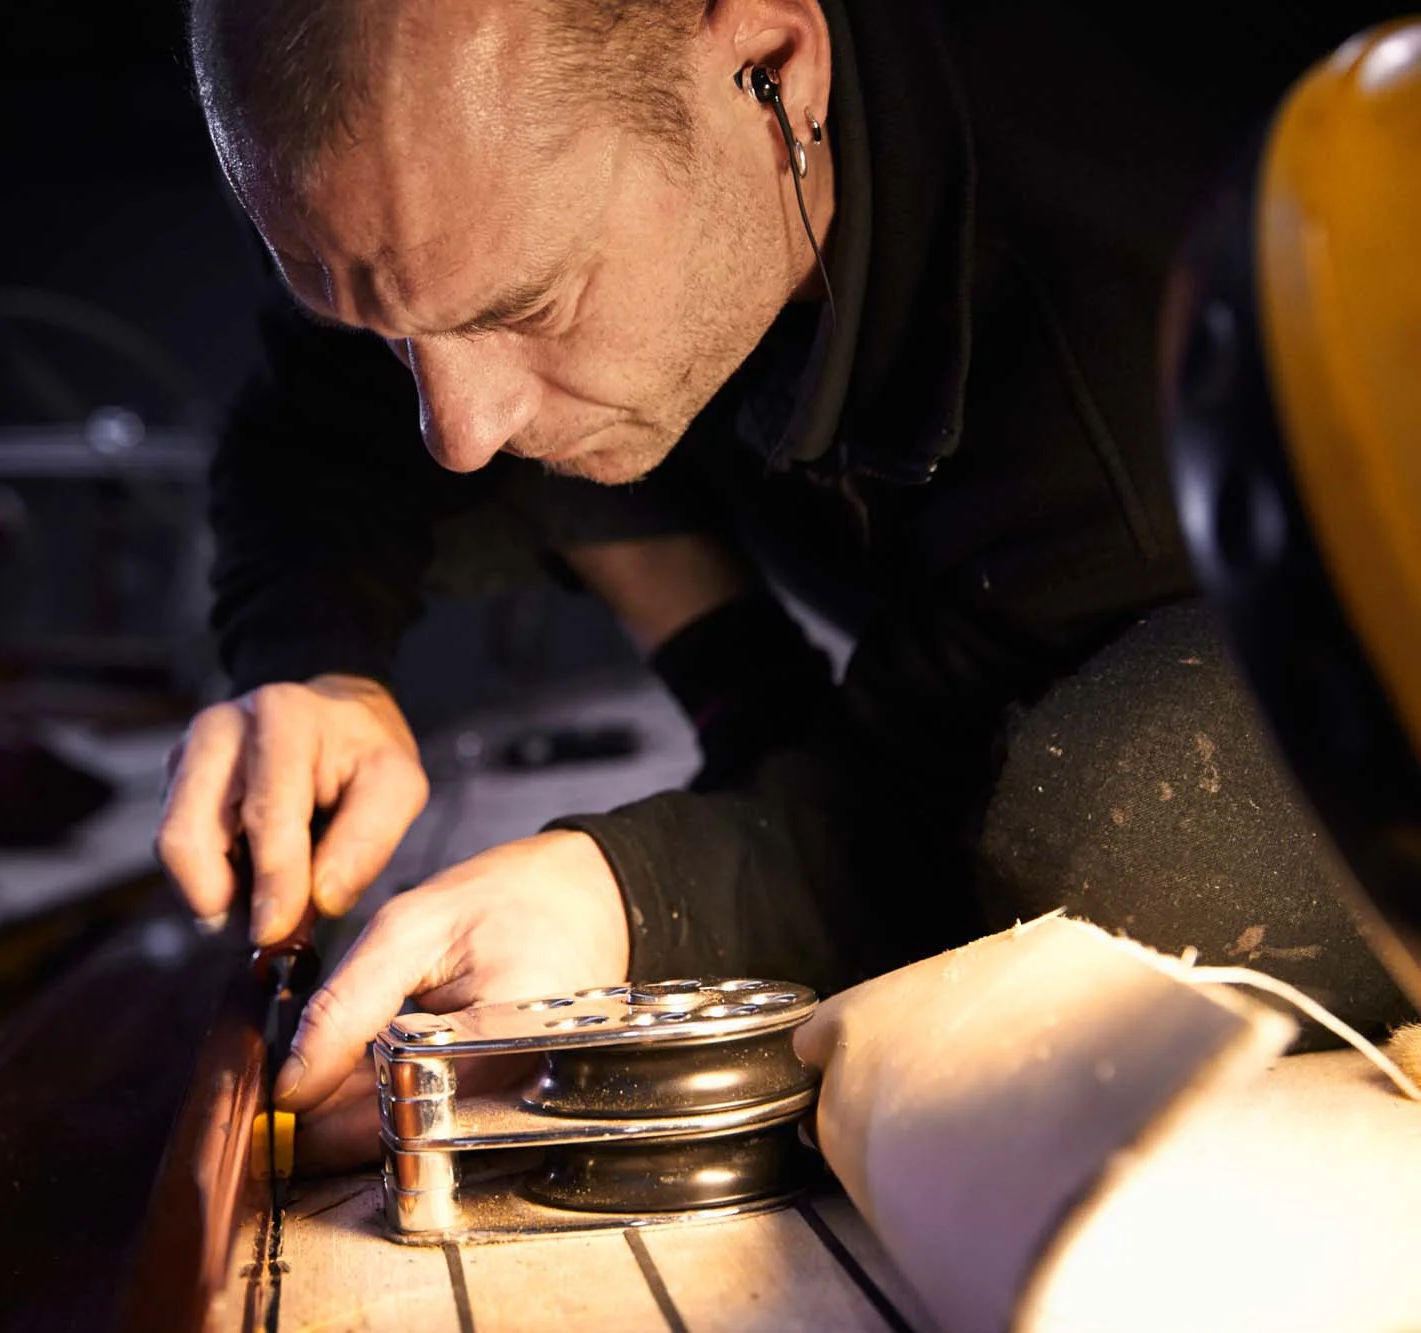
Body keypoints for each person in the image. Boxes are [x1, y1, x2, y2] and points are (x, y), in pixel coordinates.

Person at [156, 0, 1400, 1166]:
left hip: (1258, 589)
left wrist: (627, 899)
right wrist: (313, 662)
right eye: (383, 335)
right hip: (960, 554)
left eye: (526, 305)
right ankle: (753, 701)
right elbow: (314, 418)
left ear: (770, 66)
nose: (456, 431)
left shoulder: (1136, 328)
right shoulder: (472, 201)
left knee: (1130, 825)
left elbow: (925, 802)